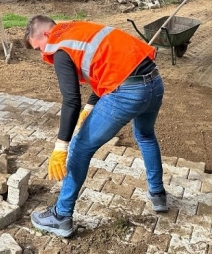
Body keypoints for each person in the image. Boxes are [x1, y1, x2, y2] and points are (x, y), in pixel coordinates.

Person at [26, 15, 167, 237]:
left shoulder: (59, 47)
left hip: (128, 93)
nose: (43, 54)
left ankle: (61, 216)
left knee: (80, 149)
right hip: (154, 83)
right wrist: (92, 106)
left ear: (46, 34)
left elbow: (71, 100)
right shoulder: (78, 29)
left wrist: (61, 146)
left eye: (39, 48)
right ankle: (158, 195)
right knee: (146, 136)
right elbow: (105, 64)